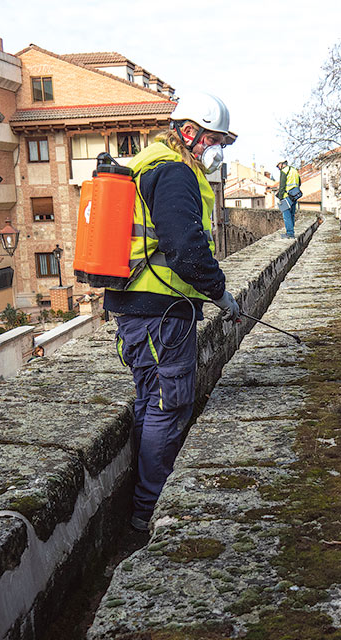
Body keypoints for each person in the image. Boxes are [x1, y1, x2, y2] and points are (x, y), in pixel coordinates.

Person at [103, 91, 240, 533]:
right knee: (170, 405)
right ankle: (150, 509)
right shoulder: (176, 174)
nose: (216, 152)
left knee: (150, 402)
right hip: (162, 311)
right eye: (215, 141)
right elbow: (184, 246)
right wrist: (220, 293)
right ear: (190, 133)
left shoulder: (147, 165)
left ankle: (142, 505)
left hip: (136, 307)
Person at [276, 159, 302, 238]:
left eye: (278, 166)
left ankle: (290, 233)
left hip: (286, 196)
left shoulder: (284, 171)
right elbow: (299, 182)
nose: (278, 168)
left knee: (286, 215)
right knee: (292, 214)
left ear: (282, 164)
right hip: (294, 195)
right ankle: (291, 232)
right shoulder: (294, 170)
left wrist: (280, 197)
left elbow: (282, 185)